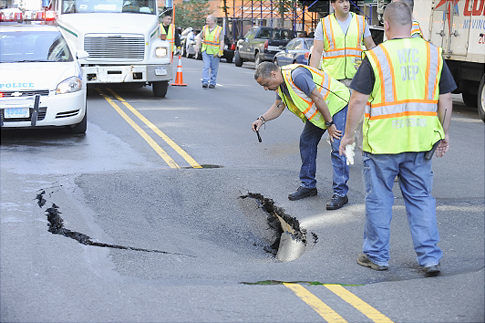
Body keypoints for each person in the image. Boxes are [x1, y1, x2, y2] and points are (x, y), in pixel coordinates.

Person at [338, 2, 456, 276]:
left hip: (383, 145)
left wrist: (347, 136)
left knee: (379, 199)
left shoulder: (377, 56)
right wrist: (444, 131)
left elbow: (357, 100)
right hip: (420, 143)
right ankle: (429, 258)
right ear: (411, 21)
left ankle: (377, 256)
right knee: (420, 199)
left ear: (386, 25)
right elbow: (446, 98)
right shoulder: (433, 54)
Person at [252, 62, 351, 210]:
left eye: (266, 84)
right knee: (307, 141)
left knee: (337, 147)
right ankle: (308, 186)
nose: (266, 88)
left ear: (273, 74)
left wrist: (330, 125)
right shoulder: (281, 85)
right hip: (321, 111)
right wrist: (261, 120)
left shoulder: (297, 75)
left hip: (337, 104)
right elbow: (278, 107)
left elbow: (317, 98)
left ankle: (341, 194)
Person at [309, 0, 376, 86]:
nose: (345, 4)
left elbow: (370, 46)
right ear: (333, 5)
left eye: (347, 1)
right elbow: (317, 51)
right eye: (341, 2)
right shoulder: (324, 24)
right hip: (332, 80)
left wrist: (378, 68)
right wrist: (312, 76)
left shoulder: (361, 22)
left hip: (356, 78)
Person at [195, 15, 224, 89]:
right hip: (206, 50)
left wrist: (221, 51)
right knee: (206, 66)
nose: (206, 22)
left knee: (214, 68)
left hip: (215, 52)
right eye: (206, 20)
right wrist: (197, 46)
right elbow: (199, 37)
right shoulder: (205, 28)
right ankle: (205, 82)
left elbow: (221, 41)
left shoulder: (219, 29)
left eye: (208, 20)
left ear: (213, 21)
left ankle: (212, 82)